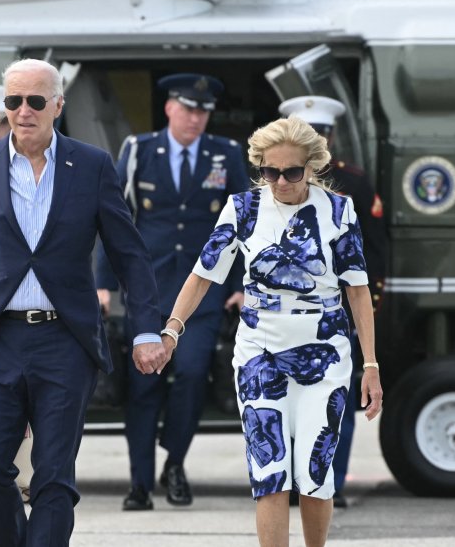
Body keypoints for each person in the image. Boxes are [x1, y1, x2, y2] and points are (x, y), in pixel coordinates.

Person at [0, 59, 174, 547]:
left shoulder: (91, 165)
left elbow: (130, 255)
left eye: (35, 101)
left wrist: (150, 329)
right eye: (13, 101)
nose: (23, 111)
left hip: (66, 341)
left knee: (54, 478)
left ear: (57, 106)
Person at [159, 115, 383, 547]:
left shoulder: (339, 210)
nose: (280, 182)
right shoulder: (242, 209)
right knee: (270, 471)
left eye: (291, 172)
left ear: (312, 167)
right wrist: (172, 330)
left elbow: (357, 291)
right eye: (269, 171)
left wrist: (370, 365)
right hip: (259, 353)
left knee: (316, 474)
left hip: (326, 352)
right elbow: (203, 275)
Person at [96, 73, 249, 510]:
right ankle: (140, 484)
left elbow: (244, 224)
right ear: (169, 108)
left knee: (193, 376)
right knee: (144, 389)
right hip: (148, 293)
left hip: (203, 295)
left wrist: (239, 285)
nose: (195, 118)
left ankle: (175, 462)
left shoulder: (226, 155)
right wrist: (104, 285)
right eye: (187, 109)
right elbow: (116, 220)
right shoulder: (140, 150)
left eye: (203, 112)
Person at [277, 96, 389, 508]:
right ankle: (288, 481)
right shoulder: (275, 184)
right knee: (283, 397)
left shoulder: (354, 184)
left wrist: (367, 309)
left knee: (333, 399)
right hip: (284, 311)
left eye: (320, 137)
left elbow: (375, 252)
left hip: (335, 313)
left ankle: (330, 481)